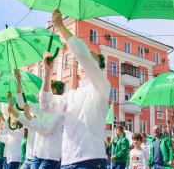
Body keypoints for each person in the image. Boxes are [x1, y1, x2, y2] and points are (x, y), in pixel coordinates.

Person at [39, 9, 111, 168]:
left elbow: (83, 56)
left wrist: (60, 26)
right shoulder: (70, 95)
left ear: (98, 69)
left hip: (90, 159)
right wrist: (48, 73)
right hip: (68, 161)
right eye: (81, 65)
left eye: (92, 64)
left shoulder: (101, 88)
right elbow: (46, 105)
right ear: (77, 69)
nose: (85, 66)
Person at [13, 70, 64, 169]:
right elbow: (21, 103)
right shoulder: (43, 108)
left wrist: (29, 117)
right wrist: (19, 82)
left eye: (45, 90)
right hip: (38, 154)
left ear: (53, 91)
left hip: (51, 156)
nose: (42, 94)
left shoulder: (60, 111)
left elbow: (45, 130)